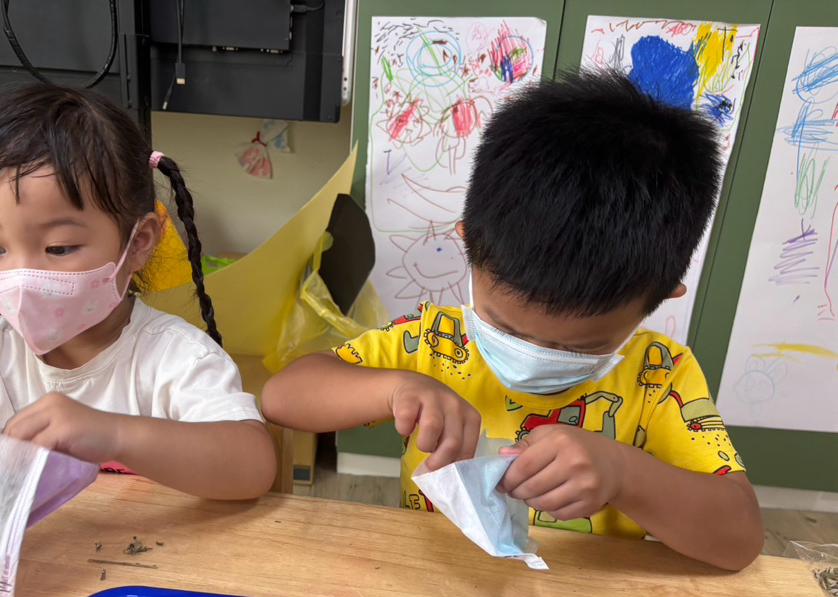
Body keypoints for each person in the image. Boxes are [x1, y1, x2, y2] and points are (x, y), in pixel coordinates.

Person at [261, 71, 762, 570]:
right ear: (469, 244)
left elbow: (740, 537)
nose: (532, 356)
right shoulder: (434, 342)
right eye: (505, 326)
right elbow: (281, 397)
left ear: (662, 296)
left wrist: (625, 475)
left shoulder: (658, 376)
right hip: (434, 579)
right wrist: (393, 389)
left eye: (580, 347)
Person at [0, 84, 276, 503]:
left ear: (138, 243)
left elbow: (252, 465)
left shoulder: (176, 360)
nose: (21, 277)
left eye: (59, 248)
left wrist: (116, 435)